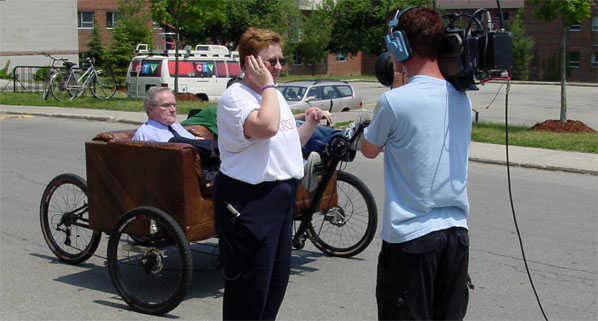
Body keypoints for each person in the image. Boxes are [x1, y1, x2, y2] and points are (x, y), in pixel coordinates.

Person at [361, 6, 472, 320]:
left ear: (399, 45)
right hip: (455, 235)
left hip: (413, 239)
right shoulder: (462, 98)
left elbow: (369, 149)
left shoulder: (394, 102)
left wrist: (396, 92)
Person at [213, 27, 323, 320]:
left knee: (273, 288)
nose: (278, 67)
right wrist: (268, 88)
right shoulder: (237, 98)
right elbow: (267, 127)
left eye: (281, 61)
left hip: (280, 199)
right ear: (250, 62)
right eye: (271, 61)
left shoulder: (271, 95)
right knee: (249, 293)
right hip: (250, 202)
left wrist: (309, 124)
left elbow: (285, 145)